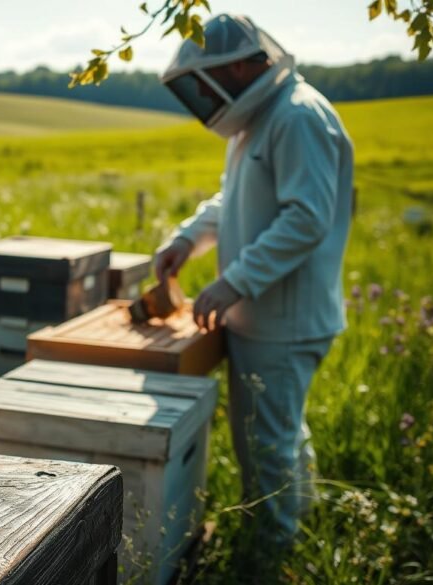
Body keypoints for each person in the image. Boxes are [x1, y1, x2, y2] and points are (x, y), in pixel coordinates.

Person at [154, 14, 354, 548]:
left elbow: (306, 217)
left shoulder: (298, 117)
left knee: (267, 443)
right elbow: (234, 201)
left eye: (205, 80)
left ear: (240, 64)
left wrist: (236, 280)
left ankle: (272, 553)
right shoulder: (258, 121)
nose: (201, 95)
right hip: (265, 317)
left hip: (285, 320)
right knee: (281, 431)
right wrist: (185, 239)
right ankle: (300, 522)